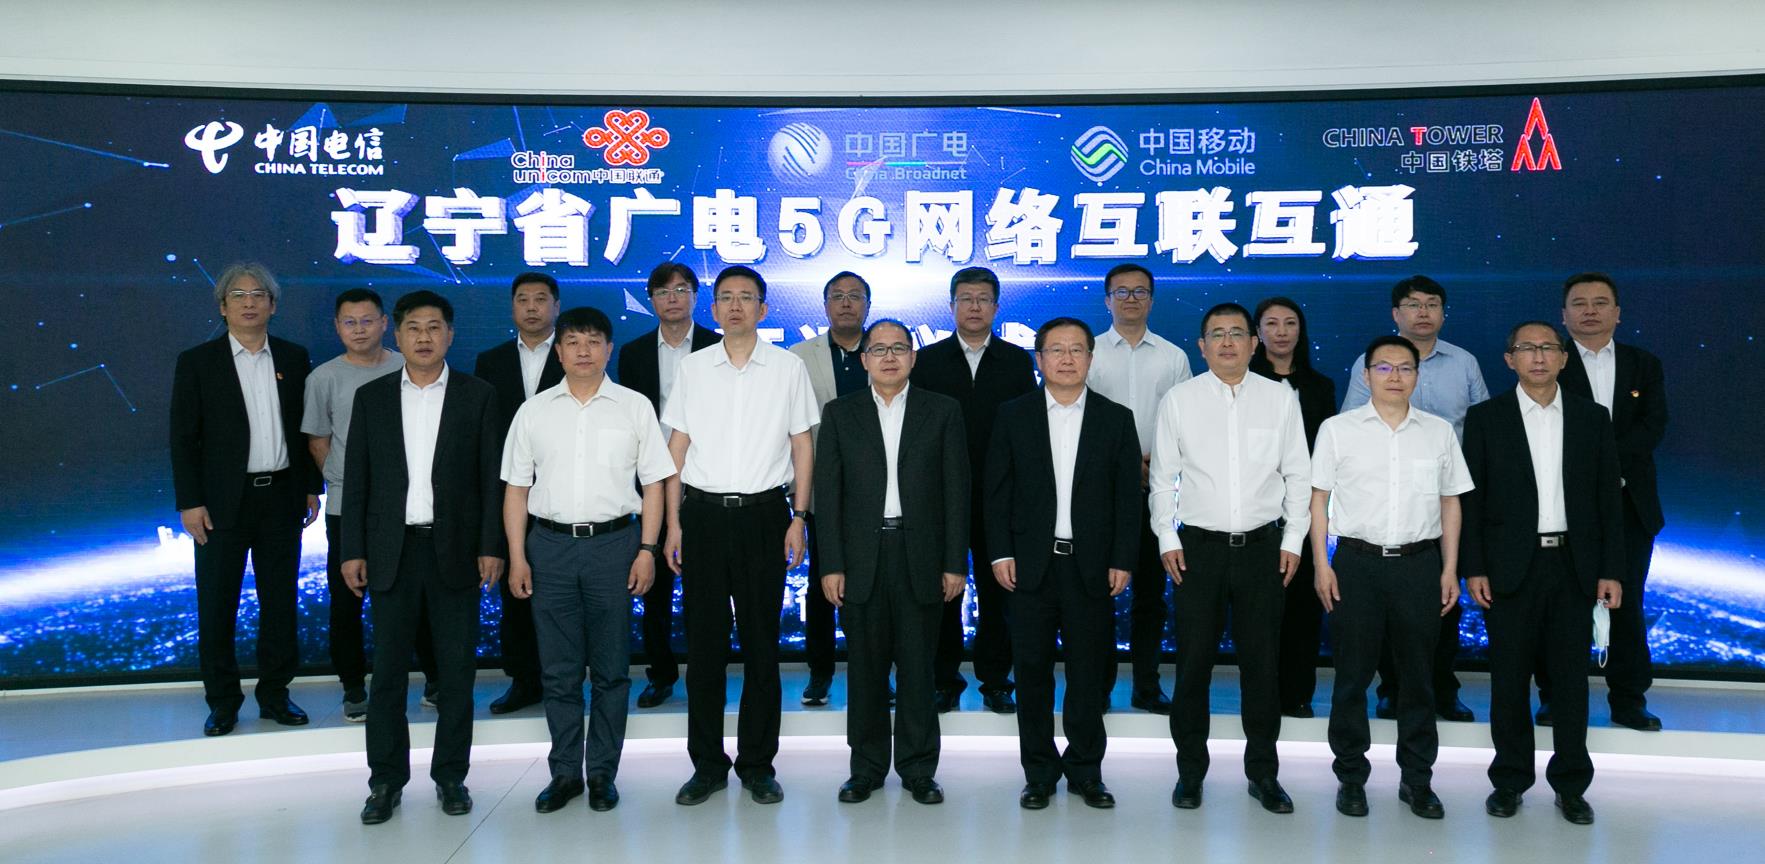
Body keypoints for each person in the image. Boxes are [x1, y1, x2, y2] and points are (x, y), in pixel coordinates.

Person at [340, 290, 506, 825]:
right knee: (388, 675)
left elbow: (491, 480)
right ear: (398, 335)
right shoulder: (372, 397)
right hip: (392, 552)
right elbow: (357, 480)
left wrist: (491, 545)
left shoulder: (478, 396)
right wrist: (352, 550)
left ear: (450, 335)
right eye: (413, 328)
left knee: (456, 673)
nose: (424, 337)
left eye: (434, 327)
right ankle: (385, 781)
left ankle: (451, 777)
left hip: (455, 550)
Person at [503, 306, 676, 814]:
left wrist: (647, 550)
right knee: (558, 672)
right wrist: (517, 556)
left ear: (609, 349)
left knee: (611, 669)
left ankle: (601, 773)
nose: (583, 350)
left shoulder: (634, 407)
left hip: (614, 546)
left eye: (594, 341)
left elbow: (655, 483)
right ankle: (564, 774)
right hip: (549, 546)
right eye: (573, 342)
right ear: (558, 352)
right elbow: (516, 490)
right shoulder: (533, 411)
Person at [662, 265, 818, 807]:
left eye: (746, 298)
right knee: (704, 649)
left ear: (763, 309)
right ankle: (707, 766)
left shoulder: (788, 368)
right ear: (713, 310)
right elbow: (676, 448)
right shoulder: (693, 368)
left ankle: (757, 765)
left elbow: (802, 445)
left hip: (764, 516)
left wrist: (799, 516)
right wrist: (673, 522)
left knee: (761, 647)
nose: (734, 306)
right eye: (725, 297)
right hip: (703, 517)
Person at [1150, 302, 1311, 814]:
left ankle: (1263, 774)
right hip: (1197, 552)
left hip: (1264, 551)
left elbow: (1298, 474)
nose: (1227, 343)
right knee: (1192, 667)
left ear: (1253, 344)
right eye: (1216, 334)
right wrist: (1166, 537)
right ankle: (1189, 773)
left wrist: (1293, 541)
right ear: (1202, 346)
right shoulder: (1180, 399)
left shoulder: (1280, 398)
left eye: (1237, 334)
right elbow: (1162, 478)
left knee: (1262, 668)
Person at [1463, 321, 1625, 826]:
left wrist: (1610, 570)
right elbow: (1472, 501)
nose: (1538, 356)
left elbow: (1607, 500)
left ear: (1563, 358)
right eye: (1526, 348)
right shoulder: (1486, 418)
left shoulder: (1591, 417)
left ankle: (1571, 785)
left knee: (1570, 682)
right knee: (1509, 680)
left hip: (1573, 565)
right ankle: (1510, 781)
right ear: (1509, 359)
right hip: (1510, 568)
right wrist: (1474, 567)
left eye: (1548, 348)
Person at [1310, 335, 1471, 820]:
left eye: (1405, 368)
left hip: (1419, 565)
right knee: (1352, 677)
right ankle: (1351, 778)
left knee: (1418, 678)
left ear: (1417, 376)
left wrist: (1449, 568)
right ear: (1366, 375)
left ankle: (1417, 780)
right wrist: (1321, 565)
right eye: (1384, 367)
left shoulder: (1438, 432)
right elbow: (1318, 499)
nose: (1395, 376)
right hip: (1356, 564)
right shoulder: (1338, 429)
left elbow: (1451, 502)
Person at [988, 317, 1141, 811]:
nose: (1067, 358)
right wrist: (1000, 552)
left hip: (1090, 567)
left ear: (1091, 359)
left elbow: (1127, 499)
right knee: (1031, 674)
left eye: (1077, 349)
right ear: (1039, 359)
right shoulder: (1013, 415)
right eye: (1056, 350)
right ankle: (1038, 773)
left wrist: (1122, 558)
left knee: (1088, 675)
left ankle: (1086, 771)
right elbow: (996, 492)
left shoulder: (1115, 419)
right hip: (1030, 567)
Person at [815, 319, 969, 806]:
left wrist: (955, 563)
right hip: (861, 557)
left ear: (913, 357)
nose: (888, 357)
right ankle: (865, 769)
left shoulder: (942, 411)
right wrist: (831, 564)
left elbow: (956, 493)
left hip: (920, 554)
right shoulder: (840, 413)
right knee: (865, 669)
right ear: (863, 359)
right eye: (878, 349)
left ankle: (919, 769)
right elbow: (828, 494)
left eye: (898, 348)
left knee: (919, 669)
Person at [169, 261, 321, 737]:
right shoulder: (198, 362)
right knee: (218, 604)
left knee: (280, 601)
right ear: (223, 306)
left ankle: (275, 694)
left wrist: (310, 486)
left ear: (273, 305)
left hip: (281, 496)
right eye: (239, 295)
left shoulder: (294, 357)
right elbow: (182, 438)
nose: (249, 302)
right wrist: (190, 501)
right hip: (220, 504)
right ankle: (222, 702)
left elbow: (305, 429)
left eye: (259, 294)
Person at [1342, 275, 1488, 723]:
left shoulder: (1464, 363)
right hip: (1388, 499)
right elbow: (1351, 423)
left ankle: (1443, 688)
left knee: (1444, 598)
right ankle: (1392, 689)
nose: (1423, 312)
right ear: (1396, 313)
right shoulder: (1368, 364)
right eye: (1413, 304)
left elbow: (1484, 426)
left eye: (1432, 304)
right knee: (1388, 606)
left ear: (1443, 313)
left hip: (1447, 496)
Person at [1537, 272, 1666, 732]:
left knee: (1625, 604)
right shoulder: (1548, 363)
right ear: (1564, 314)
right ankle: (1555, 698)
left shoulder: (1642, 364)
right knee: (1561, 608)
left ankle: (1629, 700)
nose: (1589, 310)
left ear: (1617, 312)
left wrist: (1604, 464)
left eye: (1600, 302)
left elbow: (1653, 426)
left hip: (1630, 505)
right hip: (1562, 504)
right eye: (1579, 303)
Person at [303, 288, 435, 723]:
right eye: (349, 322)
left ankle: (434, 679)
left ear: (384, 325)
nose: (358, 330)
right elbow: (318, 441)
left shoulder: (408, 366)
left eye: (367, 321)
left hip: (405, 508)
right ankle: (353, 687)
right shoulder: (323, 377)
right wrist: (351, 482)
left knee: (415, 596)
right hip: (348, 507)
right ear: (337, 327)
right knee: (347, 601)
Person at [909, 266, 1037, 714]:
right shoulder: (927, 361)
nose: (975, 306)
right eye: (966, 299)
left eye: (983, 299)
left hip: (999, 496)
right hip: (939, 496)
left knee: (1000, 591)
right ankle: (943, 679)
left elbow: (1028, 429)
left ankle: (996, 680)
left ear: (996, 307)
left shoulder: (1017, 361)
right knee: (942, 591)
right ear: (952, 306)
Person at [613, 262, 720, 709]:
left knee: (706, 587)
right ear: (651, 300)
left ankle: (705, 673)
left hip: (707, 477)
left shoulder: (717, 347)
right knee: (653, 582)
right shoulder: (634, 353)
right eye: (662, 291)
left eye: (680, 289)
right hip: (651, 480)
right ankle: (660, 673)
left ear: (695, 295)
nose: (672, 298)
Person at [1085, 263, 1190, 714]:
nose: (1131, 299)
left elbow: (1185, 420)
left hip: (1154, 488)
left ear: (1152, 299)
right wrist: (1123, 464)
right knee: (1096, 594)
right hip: (1095, 489)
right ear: (1107, 300)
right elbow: (1076, 415)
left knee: (1150, 595)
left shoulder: (1173, 357)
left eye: (1140, 291)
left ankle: (1147, 685)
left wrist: (1155, 467)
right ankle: (1098, 686)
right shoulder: (1088, 352)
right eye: (1122, 292)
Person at [473, 272, 566, 715]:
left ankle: (563, 678)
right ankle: (524, 679)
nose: (532, 307)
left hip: (563, 490)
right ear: (512, 307)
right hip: (508, 489)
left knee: (561, 594)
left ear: (556, 307)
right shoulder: (490, 361)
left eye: (540, 299)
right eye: (523, 299)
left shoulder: (575, 353)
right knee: (516, 589)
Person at [1249, 297, 1337, 719]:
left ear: (1301, 331)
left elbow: (1328, 450)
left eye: (1290, 323)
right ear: (1257, 333)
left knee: (1303, 604)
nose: (1281, 332)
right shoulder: (1244, 383)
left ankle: (1298, 692)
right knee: (1259, 610)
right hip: (1256, 507)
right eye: (1271, 323)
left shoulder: (1320, 386)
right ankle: (1261, 693)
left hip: (1306, 507)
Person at [789, 271, 873, 706]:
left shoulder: (885, 350)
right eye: (837, 296)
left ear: (867, 305)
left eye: (854, 296)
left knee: (873, 587)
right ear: (825, 306)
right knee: (822, 581)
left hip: (879, 491)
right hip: (822, 486)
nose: (846, 303)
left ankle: (874, 672)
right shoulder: (798, 357)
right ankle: (820, 672)